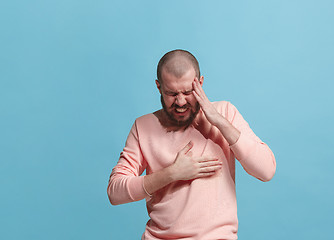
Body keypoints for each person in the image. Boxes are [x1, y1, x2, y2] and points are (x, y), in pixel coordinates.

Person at [107, 49, 276, 239]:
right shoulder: (143, 126)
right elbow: (115, 192)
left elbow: (266, 170)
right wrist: (172, 173)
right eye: (171, 93)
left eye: (187, 92)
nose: (180, 102)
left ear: (200, 83)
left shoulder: (225, 112)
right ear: (159, 87)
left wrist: (218, 121)